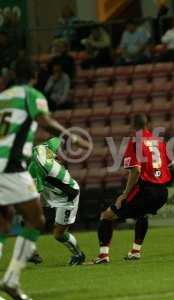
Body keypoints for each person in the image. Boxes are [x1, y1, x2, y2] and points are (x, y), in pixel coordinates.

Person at [0, 58, 89, 299]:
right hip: (11, 165)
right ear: (35, 77)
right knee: (36, 219)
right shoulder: (32, 94)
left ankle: (9, 281)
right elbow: (45, 121)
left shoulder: (3, 96)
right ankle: (11, 279)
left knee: (4, 223)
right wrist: (71, 135)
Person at [94, 114, 172, 264]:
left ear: (132, 126)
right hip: (162, 191)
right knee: (142, 214)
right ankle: (135, 251)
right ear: (147, 125)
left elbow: (135, 171)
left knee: (107, 215)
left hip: (146, 189)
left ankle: (103, 256)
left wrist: (125, 194)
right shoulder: (159, 141)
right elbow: (168, 164)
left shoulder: (135, 141)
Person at [28, 137, 85, 266]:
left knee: (59, 234)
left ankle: (78, 255)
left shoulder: (35, 169)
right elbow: (58, 138)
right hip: (51, 192)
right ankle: (30, 250)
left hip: (67, 196)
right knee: (23, 212)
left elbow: (36, 195)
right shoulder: (41, 147)